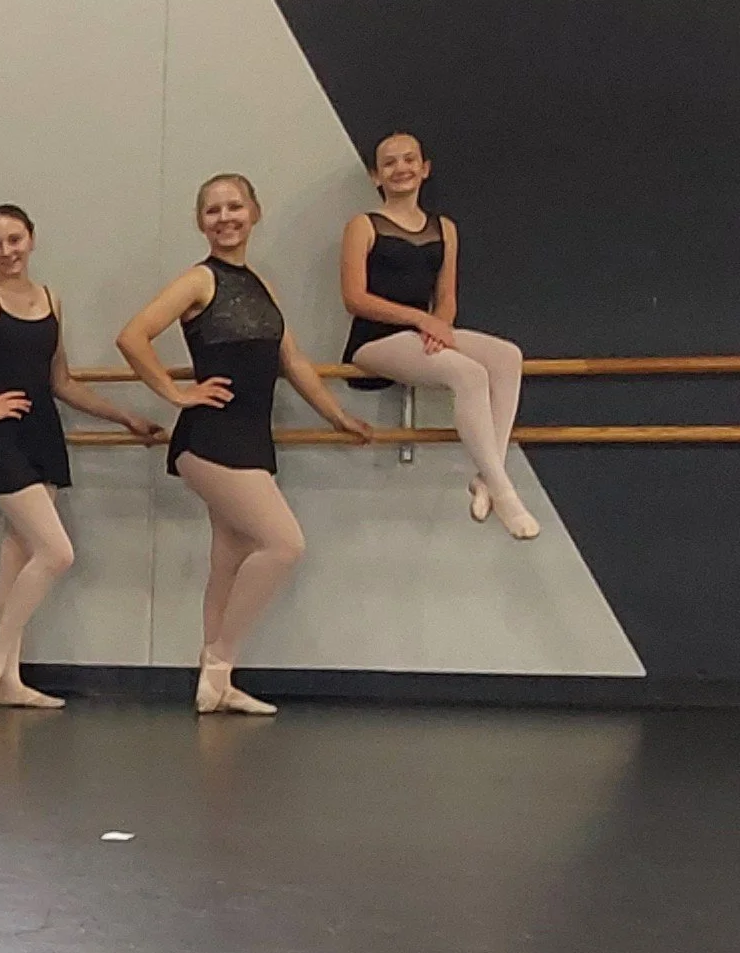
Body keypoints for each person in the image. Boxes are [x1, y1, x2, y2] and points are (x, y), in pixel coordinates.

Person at [117, 174, 373, 716]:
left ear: (255, 212)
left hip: (250, 436)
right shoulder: (199, 280)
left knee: (229, 558)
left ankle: (217, 686)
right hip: (210, 436)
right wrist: (175, 393)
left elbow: (292, 359)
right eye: (213, 210)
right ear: (200, 221)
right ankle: (218, 663)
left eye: (235, 206)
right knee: (284, 544)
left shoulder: (260, 284)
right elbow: (132, 336)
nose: (225, 218)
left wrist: (335, 415)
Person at [0, 205, 161, 710]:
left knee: (17, 559)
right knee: (57, 552)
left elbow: (61, 381)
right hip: (2, 438)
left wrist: (123, 416)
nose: (7, 251)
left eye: (15, 239)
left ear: (31, 239)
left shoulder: (51, 299)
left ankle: (9, 680)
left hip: (42, 434)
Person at [340, 130, 536, 538]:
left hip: (421, 335)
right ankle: (505, 493)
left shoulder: (444, 228)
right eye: (390, 162)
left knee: (507, 356)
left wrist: (439, 326)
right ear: (376, 176)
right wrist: (421, 320)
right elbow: (354, 298)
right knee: (469, 374)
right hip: (373, 342)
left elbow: (445, 297)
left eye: (409, 159)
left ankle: (487, 477)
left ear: (425, 168)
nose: (401, 168)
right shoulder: (363, 225)